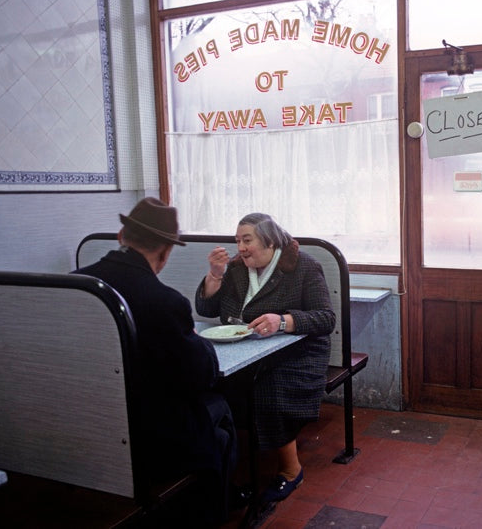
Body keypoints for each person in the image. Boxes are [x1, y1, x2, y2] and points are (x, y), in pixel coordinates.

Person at [74, 197, 238, 526]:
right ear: (165, 251)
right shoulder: (163, 301)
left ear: (121, 236)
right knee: (221, 409)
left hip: (86, 421)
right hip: (150, 437)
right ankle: (217, 509)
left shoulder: (76, 285)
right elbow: (200, 375)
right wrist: (197, 342)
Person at [195, 212, 335, 505]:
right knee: (209, 382)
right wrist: (215, 275)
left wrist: (282, 321)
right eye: (237, 241)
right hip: (244, 349)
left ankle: (290, 470)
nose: (241, 247)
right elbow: (206, 309)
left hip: (298, 352)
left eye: (248, 240)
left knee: (268, 388)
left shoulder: (303, 267)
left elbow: (325, 319)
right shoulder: (234, 269)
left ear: (270, 241)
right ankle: (225, 473)